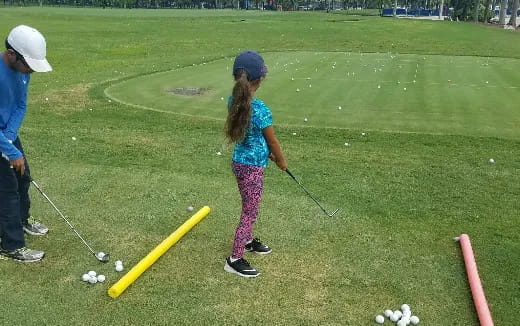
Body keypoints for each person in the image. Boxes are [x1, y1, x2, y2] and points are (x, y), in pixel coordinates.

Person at [224, 50, 287, 278]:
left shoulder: (233, 100)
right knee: (249, 211)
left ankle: (248, 240)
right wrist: (280, 160)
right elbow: (272, 139)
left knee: (250, 206)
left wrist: (266, 152)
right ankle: (235, 258)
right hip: (252, 168)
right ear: (260, 79)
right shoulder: (260, 109)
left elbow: (253, 135)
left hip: (240, 163)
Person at [0, 25, 52, 262]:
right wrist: (8, 149)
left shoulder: (23, 72)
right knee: (7, 189)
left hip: (5, 133)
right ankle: (11, 245)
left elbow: (21, 105)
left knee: (23, 175)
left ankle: (22, 219)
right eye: (28, 64)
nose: (31, 70)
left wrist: (9, 138)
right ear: (11, 54)